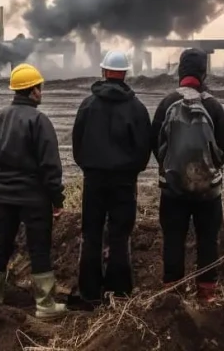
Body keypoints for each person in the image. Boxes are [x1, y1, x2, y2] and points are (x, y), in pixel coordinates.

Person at [0, 63, 68, 319]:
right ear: (32, 91)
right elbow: (50, 166)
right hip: (35, 198)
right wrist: (57, 199)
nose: (41, 92)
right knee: (39, 248)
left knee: (1, 246)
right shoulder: (40, 121)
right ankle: (45, 305)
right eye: (39, 88)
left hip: (4, 196)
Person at [69, 50, 153, 308]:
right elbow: (144, 148)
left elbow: (77, 143)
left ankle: (89, 292)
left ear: (104, 72)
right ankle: (120, 292)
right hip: (124, 182)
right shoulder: (137, 109)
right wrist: (132, 171)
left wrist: (88, 167)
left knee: (91, 233)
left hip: (93, 179)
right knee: (120, 234)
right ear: (125, 74)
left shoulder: (87, 105)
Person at [151, 48, 224, 303]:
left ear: (180, 71)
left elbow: (156, 144)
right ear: (203, 73)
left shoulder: (166, 103)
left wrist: (170, 168)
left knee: (173, 239)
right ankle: (206, 294)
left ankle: (172, 296)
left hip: (173, 190)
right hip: (208, 192)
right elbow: (223, 149)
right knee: (208, 240)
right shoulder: (214, 106)